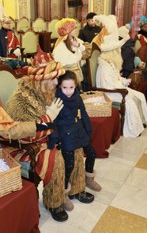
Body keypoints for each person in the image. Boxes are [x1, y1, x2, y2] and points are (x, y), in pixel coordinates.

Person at [5, 50, 88, 222]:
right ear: (40, 80)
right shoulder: (20, 101)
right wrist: (47, 119)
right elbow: (21, 134)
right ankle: (54, 202)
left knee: (76, 147)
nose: (57, 82)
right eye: (53, 79)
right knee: (57, 159)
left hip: (53, 135)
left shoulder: (49, 91)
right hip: (30, 144)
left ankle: (76, 189)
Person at [93, 15, 147, 137]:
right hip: (109, 92)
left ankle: (139, 122)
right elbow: (106, 85)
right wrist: (122, 85)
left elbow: (116, 78)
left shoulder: (111, 63)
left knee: (139, 95)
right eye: (116, 50)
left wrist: (124, 81)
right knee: (129, 101)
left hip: (117, 88)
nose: (118, 52)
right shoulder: (104, 65)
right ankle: (131, 129)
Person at [53, 70, 101, 211]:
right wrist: (56, 139)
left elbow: (84, 113)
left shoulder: (77, 97)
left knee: (92, 153)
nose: (68, 91)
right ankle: (64, 193)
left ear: (76, 86)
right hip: (65, 133)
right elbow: (53, 121)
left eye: (71, 87)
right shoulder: (57, 99)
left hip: (78, 129)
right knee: (69, 164)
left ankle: (89, 179)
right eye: (65, 87)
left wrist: (88, 131)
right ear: (59, 87)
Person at [53, 18, 86, 86]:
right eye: (73, 28)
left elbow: (84, 50)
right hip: (67, 75)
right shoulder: (61, 44)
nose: (75, 30)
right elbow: (57, 59)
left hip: (77, 72)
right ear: (68, 30)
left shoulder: (75, 40)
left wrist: (78, 45)